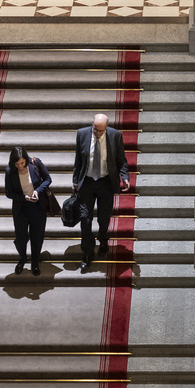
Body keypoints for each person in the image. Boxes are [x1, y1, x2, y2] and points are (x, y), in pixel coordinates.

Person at [71, 113, 130, 271]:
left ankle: (103, 239)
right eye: (95, 129)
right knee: (85, 219)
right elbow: (78, 159)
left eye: (101, 131)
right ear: (92, 124)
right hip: (87, 182)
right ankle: (88, 252)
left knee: (104, 218)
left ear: (106, 128)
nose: (97, 133)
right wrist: (75, 181)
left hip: (105, 182)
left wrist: (124, 177)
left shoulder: (115, 136)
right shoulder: (82, 134)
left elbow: (121, 160)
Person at [4, 146, 53, 275]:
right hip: (21, 207)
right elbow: (8, 193)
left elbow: (48, 179)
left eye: (22, 163)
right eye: (17, 164)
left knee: (37, 236)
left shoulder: (35, 163)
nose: (20, 166)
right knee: (21, 237)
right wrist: (23, 197)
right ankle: (22, 258)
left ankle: (35, 262)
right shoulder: (10, 171)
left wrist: (37, 191)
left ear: (26, 159)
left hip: (38, 206)